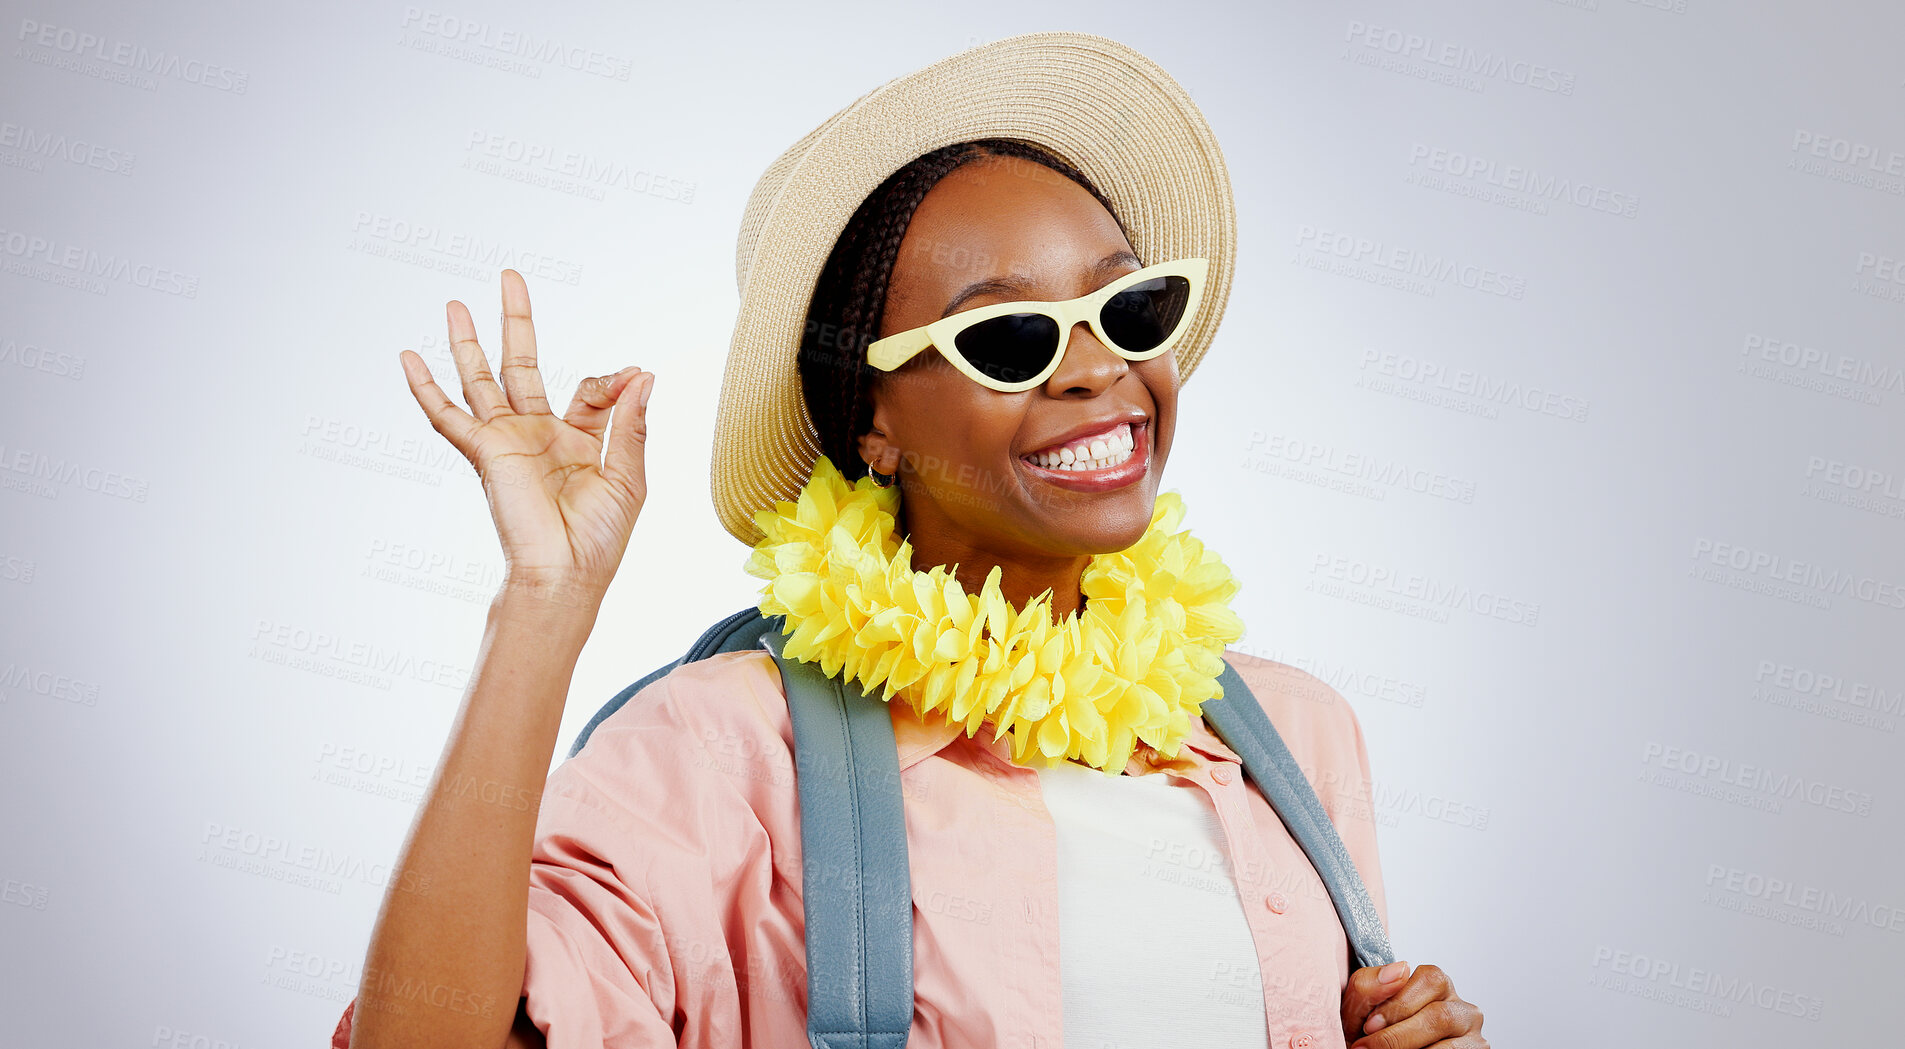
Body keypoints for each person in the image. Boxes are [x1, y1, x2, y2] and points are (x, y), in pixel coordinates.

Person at [332, 31, 1486, 1049]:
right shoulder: (727, 747)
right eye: (1010, 334)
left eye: (1129, 309)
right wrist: (544, 599)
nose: (1098, 369)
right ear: (874, 421)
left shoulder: (1298, 734)